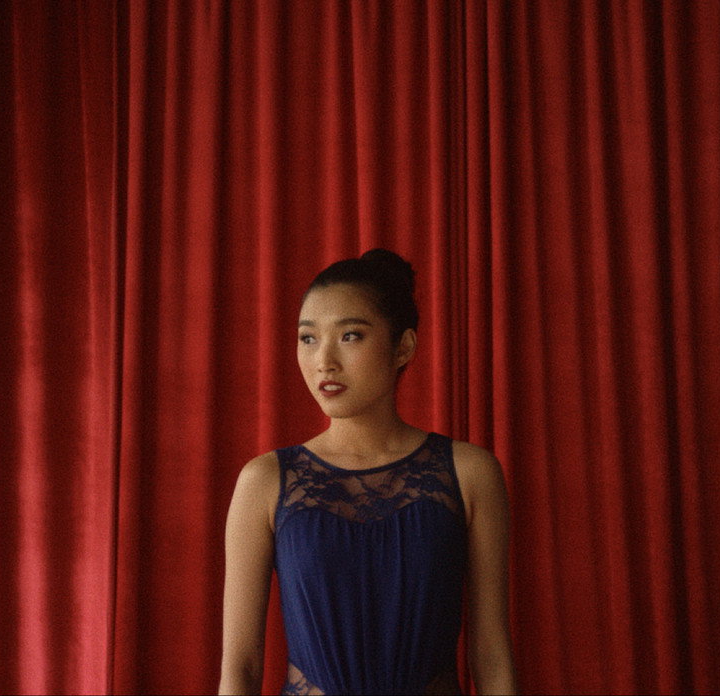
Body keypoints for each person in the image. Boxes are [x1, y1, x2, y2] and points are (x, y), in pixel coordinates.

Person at [219, 249, 518, 695]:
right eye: (308, 338)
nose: (324, 360)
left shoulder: (470, 473)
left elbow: (492, 657)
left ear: (403, 347)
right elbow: (240, 667)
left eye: (350, 336)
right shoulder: (265, 481)